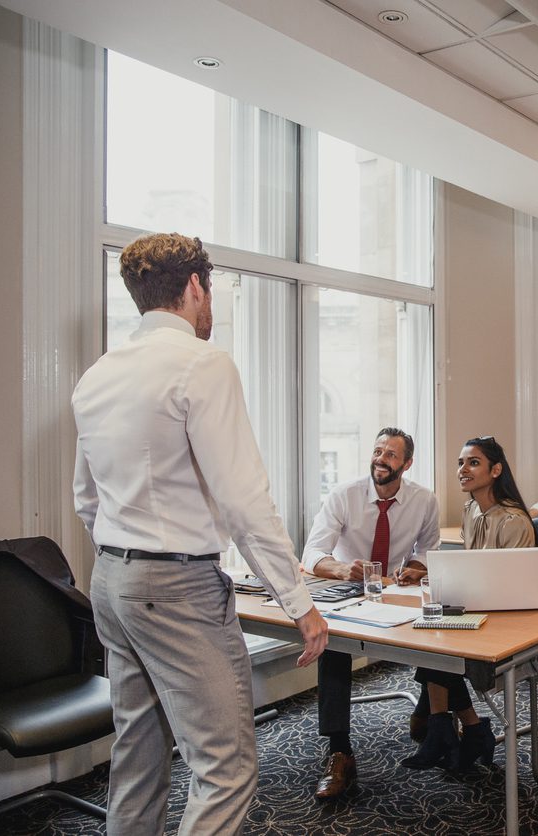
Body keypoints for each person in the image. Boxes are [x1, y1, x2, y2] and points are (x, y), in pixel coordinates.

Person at [72, 233, 327, 833]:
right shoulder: (202, 363)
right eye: (211, 290)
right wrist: (300, 604)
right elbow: (244, 502)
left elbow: (86, 498)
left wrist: (126, 562)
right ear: (194, 288)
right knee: (226, 765)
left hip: (111, 580)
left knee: (138, 753)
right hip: (176, 587)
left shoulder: (98, 374)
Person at [301, 428, 440, 801]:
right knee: (331, 645)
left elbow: (430, 547)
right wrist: (342, 569)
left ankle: (428, 713)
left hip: (395, 590)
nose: (381, 459)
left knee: (440, 631)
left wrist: (415, 565)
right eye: (378, 451)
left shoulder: (424, 500)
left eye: (391, 454)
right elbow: (311, 554)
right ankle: (339, 751)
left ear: (406, 463)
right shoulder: (344, 495)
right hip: (348, 590)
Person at [404, 436, 538, 773]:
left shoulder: (513, 520)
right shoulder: (471, 509)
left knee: (439, 644)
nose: (463, 469)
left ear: (495, 470)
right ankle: (463, 727)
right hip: (479, 609)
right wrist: (433, 578)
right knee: (431, 637)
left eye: (473, 462)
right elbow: (473, 571)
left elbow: (512, 587)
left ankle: (452, 729)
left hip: (510, 619)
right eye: (461, 463)